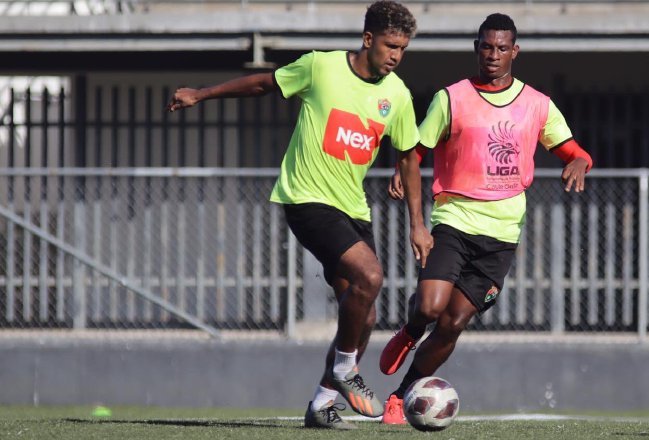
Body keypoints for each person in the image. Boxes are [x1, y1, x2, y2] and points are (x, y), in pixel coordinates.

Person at [166, 1, 418, 430]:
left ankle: (321, 404)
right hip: (306, 199)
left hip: (352, 208)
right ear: (368, 39)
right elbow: (263, 84)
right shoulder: (321, 68)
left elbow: (410, 155)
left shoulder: (397, 95)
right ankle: (343, 371)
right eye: (390, 45)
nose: (395, 55)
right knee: (370, 277)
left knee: (365, 315)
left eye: (403, 49)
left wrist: (418, 223)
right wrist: (202, 94)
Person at [378, 13, 593, 424]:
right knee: (429, 306)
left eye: (500, 48)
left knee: (454, 322)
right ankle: (409, 330)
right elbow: (417, 149)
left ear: (515, 51)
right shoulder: (452, 98)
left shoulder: (537, 105)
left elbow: (575, 151)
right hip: (455, 219)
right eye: (485, 47)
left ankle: (402, 395)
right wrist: (401, 175)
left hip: (502, 234)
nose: (492, 55)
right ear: (476, 48)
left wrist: (581, 162)